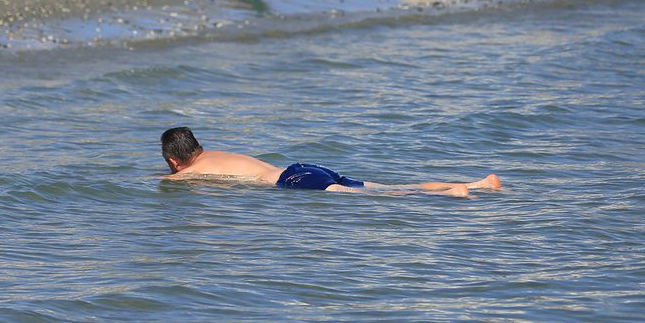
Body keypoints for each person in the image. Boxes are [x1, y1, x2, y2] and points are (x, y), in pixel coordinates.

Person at [159, 127, 501, 197]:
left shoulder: (191, 172)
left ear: (174, 161)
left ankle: (451, 194)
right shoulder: (214, 155)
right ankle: (479, 184)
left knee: (380, 196)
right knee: (386, 186)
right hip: (301, 168)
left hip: (291, 182)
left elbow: (168, 182)